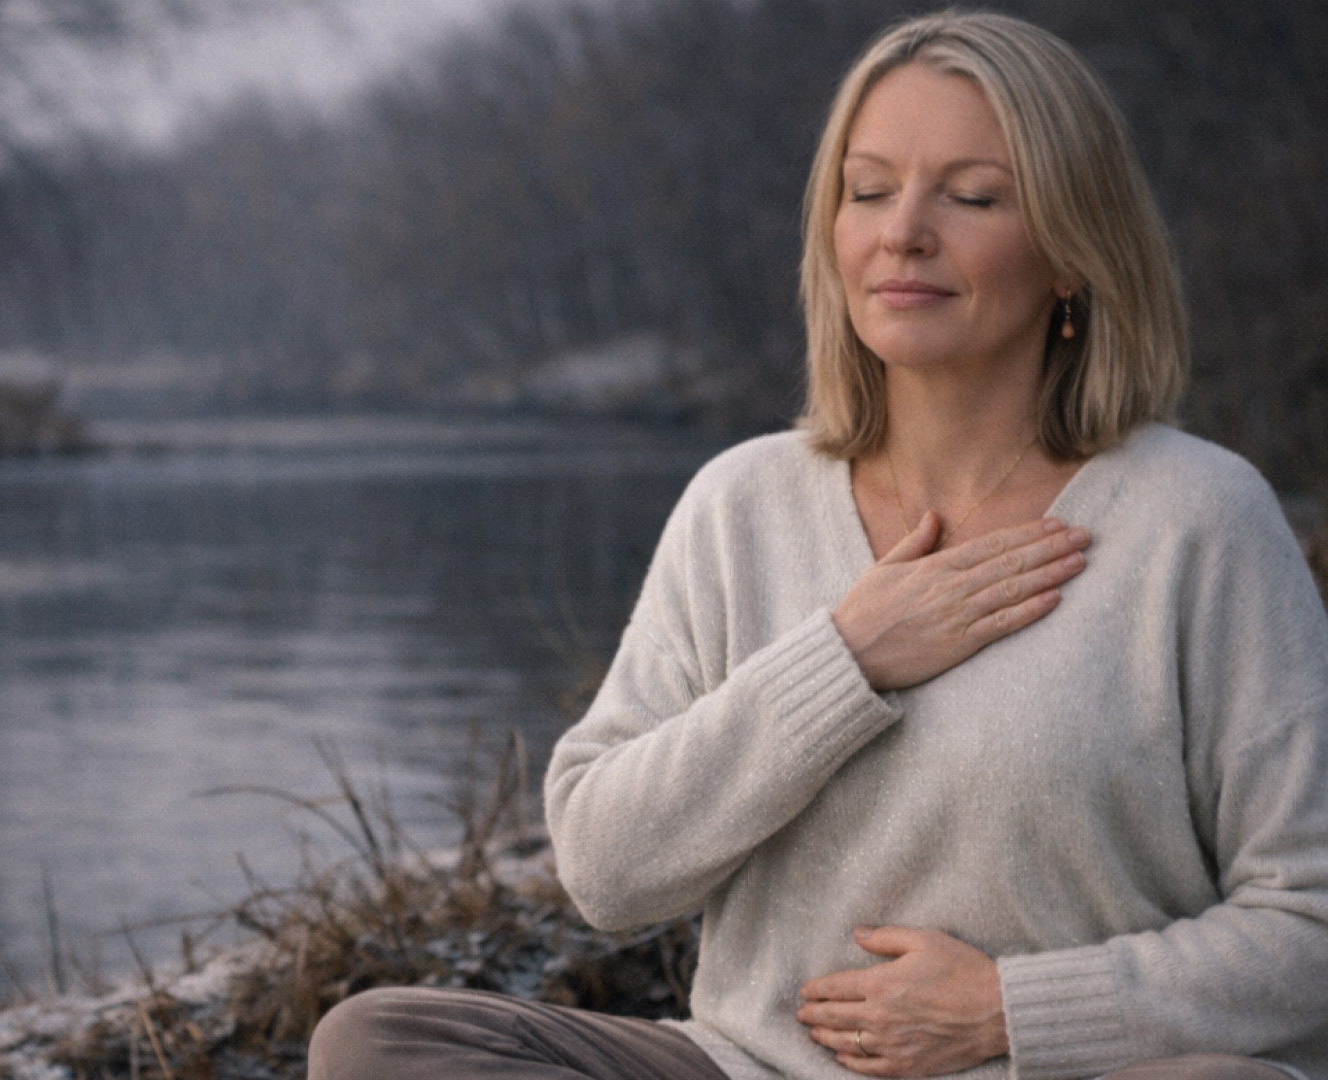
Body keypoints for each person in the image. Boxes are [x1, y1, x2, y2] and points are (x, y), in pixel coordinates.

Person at [307, 10, 1328, 1080]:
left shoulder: (1196, 518)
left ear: (1074, 247)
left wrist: (1012, 1011)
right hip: (747, 1069)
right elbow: (604, 874)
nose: (903, 233)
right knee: (381, 1044)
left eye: (971, 196)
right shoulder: (740, 502)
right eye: (869, 189)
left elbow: (1310, 925)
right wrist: (842, 660)